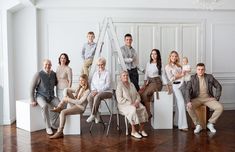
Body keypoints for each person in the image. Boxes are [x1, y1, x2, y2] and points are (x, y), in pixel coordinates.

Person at [186, 63, 223, 133]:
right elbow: (187, 90)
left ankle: (210, 123)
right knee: (188, 107)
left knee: (220, 107)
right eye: (199, 69)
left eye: (202, 69)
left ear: (204, 70)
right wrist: (188, 101)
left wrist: (216, 97)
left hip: (208, 99)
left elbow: (218, 86)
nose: (200, 71)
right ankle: (198, 125)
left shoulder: (209, 77)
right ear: (196, 70)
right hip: (196, 99)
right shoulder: (192, 78)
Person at [49, 74, 90, 139]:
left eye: (82, 80)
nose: (80, 82)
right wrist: (65, 96)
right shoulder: (79, 88)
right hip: (75, 104)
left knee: (63, 112)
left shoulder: (87, 91)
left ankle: (60, 132)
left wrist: (68, 99)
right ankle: (59, 107)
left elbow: (80, 102)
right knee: (67, 91)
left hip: (80, 108)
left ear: (86, 81)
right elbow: (66, 89)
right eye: (80, 80)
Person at [30, 59, 60, 135]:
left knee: (60, 105)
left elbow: (57, 83)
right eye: (46, 64)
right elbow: (32, 87)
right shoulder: (38, 74)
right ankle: (48, 127)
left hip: (51, 97)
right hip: (40, 96)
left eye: (49, 64)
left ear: (51, 65)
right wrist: (32, 99)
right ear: (43, 65)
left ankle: (53, 122)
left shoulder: (53, 74)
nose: (48, 66)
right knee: (45, 106)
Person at [116, 71, 148, 139]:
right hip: (124, 105)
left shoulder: (131, 84)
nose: (126, 77)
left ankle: (141, 129)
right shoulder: (119, 86)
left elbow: (137, 95)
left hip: (134, 103)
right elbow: (119, 99)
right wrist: (131, 104)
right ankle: (133, 131)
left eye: (127, 75)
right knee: (133, 110)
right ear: (121, 78)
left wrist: (136, 102)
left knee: (143, 108)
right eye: (124, 75)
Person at [140, 49, 169, 119]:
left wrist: (167, 86)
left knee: (145, 94)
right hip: (149, 82)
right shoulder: (148, 63)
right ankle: (147, 112)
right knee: (140, 93)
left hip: (157, 82)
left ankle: (148, 113)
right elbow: (146, 74)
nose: (153, 55)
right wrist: (144, 84)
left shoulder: (160, 64)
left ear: (158, 55)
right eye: (152, 54)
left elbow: (163, 75)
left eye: (155, 54)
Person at [165, 51, 188, 131]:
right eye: (172, 56)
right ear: (170, 57)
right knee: (181, 103)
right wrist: (180, 75)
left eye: (175, 56)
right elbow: (171, 79)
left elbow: (184, 75)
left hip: (182, 84)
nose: (174, 57)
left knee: (179, 105)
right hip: (175, 85)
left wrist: (184, 74)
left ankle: (176, 122)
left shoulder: (179, 65)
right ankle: (183, 125)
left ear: (177, 57)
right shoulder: (167, 67)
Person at [86, 57, 113, 123]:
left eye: (102, 64)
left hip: (107, 92)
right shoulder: (95, 73)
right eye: (99, 65)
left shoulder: (107, 73)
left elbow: (107, 85)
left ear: (104, 64)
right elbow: (92, 84)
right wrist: (93, 90)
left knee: (97, 96)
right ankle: (97, 114)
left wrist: (97, 91)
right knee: (89, 97)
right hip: (96, 91)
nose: (100, 66)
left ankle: (93, 114)